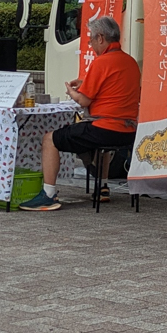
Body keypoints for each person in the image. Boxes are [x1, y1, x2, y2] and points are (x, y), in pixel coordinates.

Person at [19, 15, 140, 212]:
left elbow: (84, 100)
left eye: (92, 39)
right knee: (97, 144)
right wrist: (85, 84)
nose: (91, 44)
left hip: (103, 128)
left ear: (101, 38)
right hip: (128, 131)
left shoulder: (102, 62)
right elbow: (114, 90)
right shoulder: (130, 62)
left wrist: (71, 91)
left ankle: (48, 195)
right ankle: (102, 188)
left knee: (50, 139)